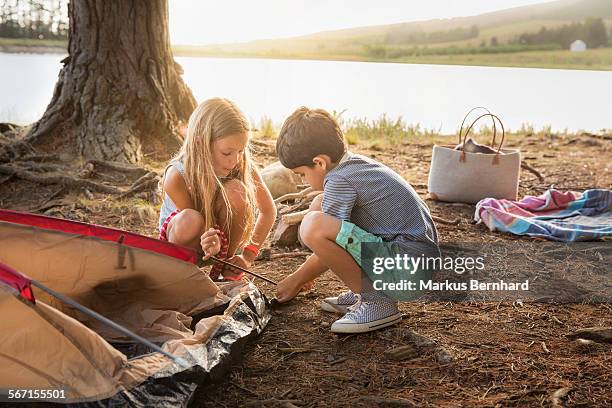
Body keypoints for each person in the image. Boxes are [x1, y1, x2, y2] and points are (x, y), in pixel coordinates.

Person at [275, 107, 439, 333]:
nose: (303, 182)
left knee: (313, 226)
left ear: (320, 162)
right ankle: (368, 290)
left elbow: (330, 239)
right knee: (318, 205)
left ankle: (375, 301)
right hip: (413, 260)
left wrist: (296, 279)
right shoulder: (352, 166)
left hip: (407, 269)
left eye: (302, 174)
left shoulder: (339, 180)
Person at [158, 97, 276, 279]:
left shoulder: (241, 165)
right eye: (227, 152)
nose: (235, 160)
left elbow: (268, 211)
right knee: (191, 219)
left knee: (236, 190)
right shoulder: (177, 176)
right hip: (185, 244)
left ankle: (227, 267)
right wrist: (210, 241)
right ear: (200, 144)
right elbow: (194, 226)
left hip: (219, 247)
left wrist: (248, 254)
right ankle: (180, 275)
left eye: (241, 150)